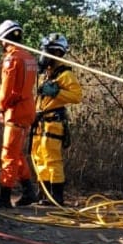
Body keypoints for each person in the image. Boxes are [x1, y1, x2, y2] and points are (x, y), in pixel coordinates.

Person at [0, 20, 39, 208]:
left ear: (3, 39)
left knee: (8, 154)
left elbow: (7, 89)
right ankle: (28, 191)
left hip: (15, 112)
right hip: (26, 109)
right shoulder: (29, 57)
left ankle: (4, 195)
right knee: (17, 154)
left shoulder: (12, 59)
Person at [30, 33, 82, 205]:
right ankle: (43, 193)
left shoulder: (65, 74)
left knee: (52, 159)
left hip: (53, 122)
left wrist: (57, 92)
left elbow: (76, 96)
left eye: (48, 51)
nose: (44, 56)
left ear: (58, 53)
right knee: (38, 156)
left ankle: (57, 196)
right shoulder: (46, 74)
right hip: (40, 121)